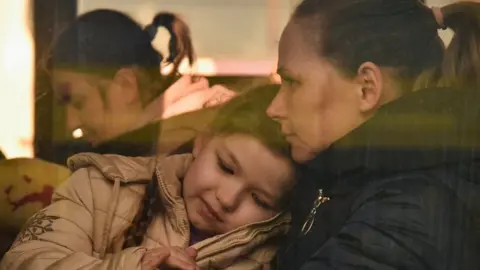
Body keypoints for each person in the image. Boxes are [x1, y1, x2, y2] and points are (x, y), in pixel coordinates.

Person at [267, 0, 480, 269]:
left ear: (366, 88)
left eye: (292, 82)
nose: (273, 109)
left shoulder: (407, 214)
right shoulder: (351, 179)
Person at [1, 84, 296, 270]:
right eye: (226, 167)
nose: (227, 198)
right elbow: (24, 260)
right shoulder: (102, 186)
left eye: (259, 198)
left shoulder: (275, 256)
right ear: (202, 142)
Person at [45, 9, 235, 164]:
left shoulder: (192, 146)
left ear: (126, 86)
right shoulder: (145, 150)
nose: (71, 123)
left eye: (78, 102)